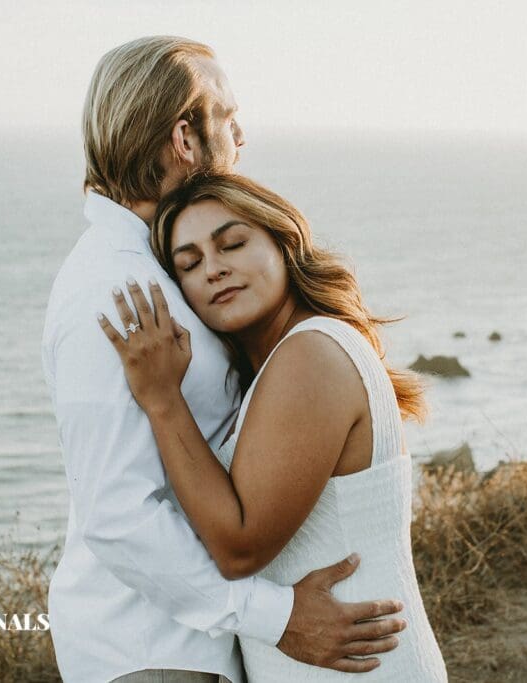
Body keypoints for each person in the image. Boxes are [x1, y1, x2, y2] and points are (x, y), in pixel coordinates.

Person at [42, 37, 407, 683]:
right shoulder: (117, 291)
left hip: (192, 643)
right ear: (185, 136)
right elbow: (116, 514)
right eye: (229, 116)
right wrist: (275, 616)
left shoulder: (156, 269)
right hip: (151, 652)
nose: (241, 134)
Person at [96, 172, 449, 681]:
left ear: (284, 244)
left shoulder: (310, 355)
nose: (214, 270)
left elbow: (240, 548)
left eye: (232, 244)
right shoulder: (279, 366)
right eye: (190, 264)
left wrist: (162, 398)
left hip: (362, 668)